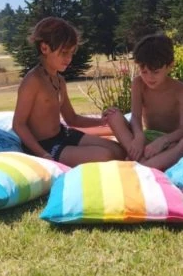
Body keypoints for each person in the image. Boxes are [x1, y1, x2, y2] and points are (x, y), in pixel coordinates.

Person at [13, 17, 125, 166]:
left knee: (118, 150)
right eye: (64, 52)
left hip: (63, 134)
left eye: (71, 53)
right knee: (105, 156)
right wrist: (42, 154)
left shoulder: (59, 80)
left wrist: (102, 122)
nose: (69, 58)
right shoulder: (33, 81)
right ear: (44, 48)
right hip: (44, 145)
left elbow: (72, 119)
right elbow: (18, 124)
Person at [104, 32, 183, 170]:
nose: (149, 78)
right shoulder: (138, 83)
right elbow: (135, 117)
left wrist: (163, 141)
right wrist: (139, 137)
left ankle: (143, 165)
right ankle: (148, 161)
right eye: (144, 72)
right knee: (112, 114)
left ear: (170, 65)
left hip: (170, 141)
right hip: (146, 139)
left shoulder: (181, 90)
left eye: (155, 72)